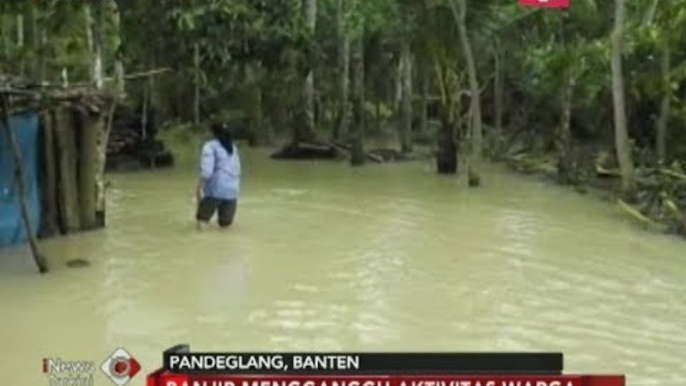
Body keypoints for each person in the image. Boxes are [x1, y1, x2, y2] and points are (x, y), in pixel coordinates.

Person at [196, 122, 241, 230]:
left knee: (202, 222)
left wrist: (199, 188)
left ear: (212, 133)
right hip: (232, 192)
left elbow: (207, 171)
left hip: (214, 190)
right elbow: (238, 170)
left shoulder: (209, 146)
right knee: (225, 227)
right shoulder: (233, 147)